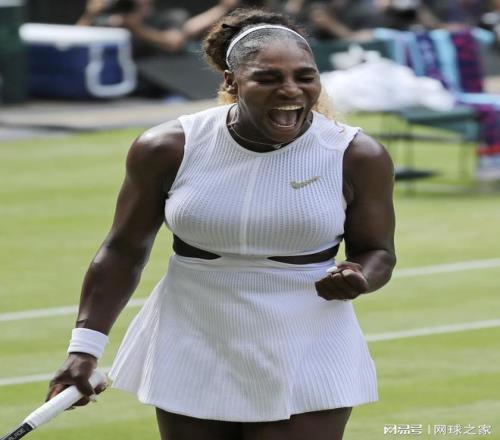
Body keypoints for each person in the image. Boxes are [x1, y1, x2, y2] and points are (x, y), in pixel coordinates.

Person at [47, 8, 396, 440]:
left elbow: (378, 250)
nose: (291, 89)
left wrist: (361, 276)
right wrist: (84, 350)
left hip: (308, 341)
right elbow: (123, 250)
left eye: (305, 76)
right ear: (232, 82)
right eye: (268, 78)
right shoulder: (166, 147)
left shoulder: (357, 155)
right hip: (192, 338)